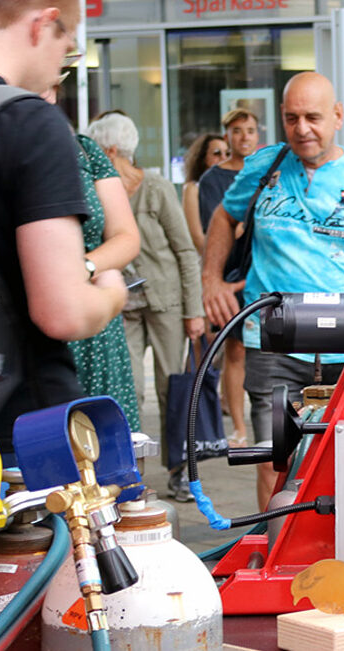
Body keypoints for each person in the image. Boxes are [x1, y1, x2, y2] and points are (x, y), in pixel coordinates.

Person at [201, 72, 344, 507]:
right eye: (292, 118)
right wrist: (211, 279)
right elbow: (225, 215)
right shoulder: (264, 165)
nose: (302, 129)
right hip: (275, 341)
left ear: (337, 116)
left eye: (313, 117)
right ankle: (275, 551)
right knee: (275, 459)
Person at [0, 0, 127, 458]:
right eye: (68, 45)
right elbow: (62, 312)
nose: (61, 64)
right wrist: (111, 291)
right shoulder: (29, 123)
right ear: (43, 23)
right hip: (12, 437)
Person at [88, 112, 205, 449]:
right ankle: (130, 464)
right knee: (129, 388)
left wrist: (193, 311)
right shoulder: (100, 192)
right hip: (123, 305)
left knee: (172, 387)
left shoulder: (156, 188)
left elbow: (184, 249)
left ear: (109, 151)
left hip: (166, 301)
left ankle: (179, 466)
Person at [66, 123, 143, 433]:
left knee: (101, 440)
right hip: (27, 320)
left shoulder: (85, 150)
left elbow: (127, 237)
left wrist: (81, 269)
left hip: (94, 317)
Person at [197, 106, 262, 449]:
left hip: (262, 269)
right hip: (229, 276)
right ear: (227, 137)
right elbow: (219, 230)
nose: (244, 137)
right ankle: (238, 427)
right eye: (237, 131)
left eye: (249, 130)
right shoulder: (214, 179)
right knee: (235, 351)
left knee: (266, 352)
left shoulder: (268, 172)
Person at [180, 134, 228, 253]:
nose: (223, 158)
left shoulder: (233, 186)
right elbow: (197, 237)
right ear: (203, 158)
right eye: (217, 153)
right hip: (208, 258)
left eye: (227, 153)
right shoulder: (193, 188)